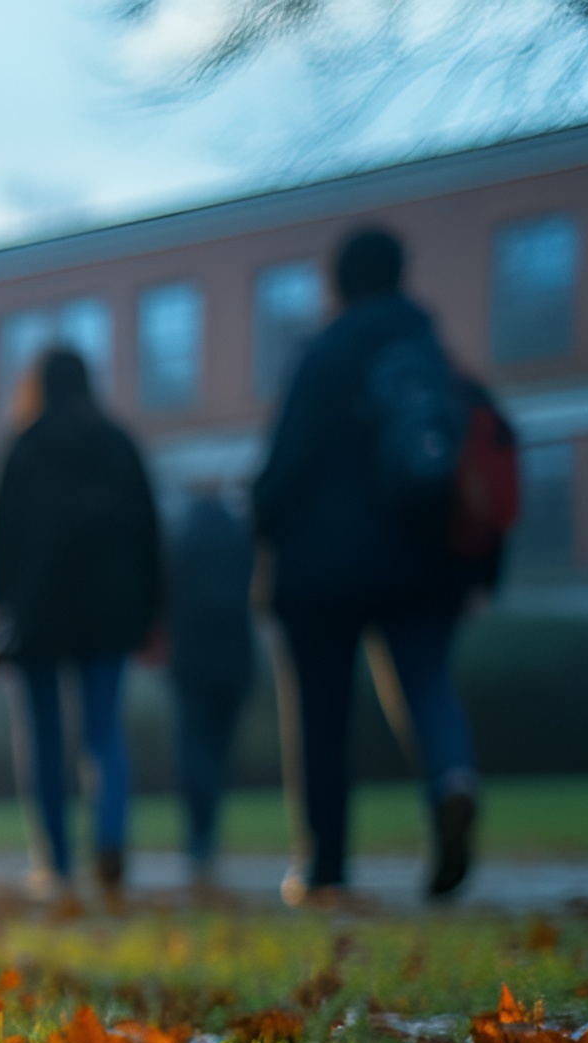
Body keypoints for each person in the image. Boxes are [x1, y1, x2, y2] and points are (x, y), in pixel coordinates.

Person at [253, 225, 493, 905]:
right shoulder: (429, 352)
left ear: (339, 283)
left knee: (322, 716)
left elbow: (285, 465)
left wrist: (260, 519)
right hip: (424, 561)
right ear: (400, 274)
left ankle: (325, 866)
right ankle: (452, 782)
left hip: (322, 572)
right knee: (425, 683)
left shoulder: (324, 354)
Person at [0, 346, 162, 900]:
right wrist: (153, 611)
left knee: (44, 740)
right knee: (104, 732)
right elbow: (149, 536)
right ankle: (109, 837)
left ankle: (54, 861)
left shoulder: (24, 448)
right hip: (109, 613)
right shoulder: (118, 444)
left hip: (37, 616)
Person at [164, 486, 257, 890]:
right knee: (218, 746)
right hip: (235, 656)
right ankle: (208, 827)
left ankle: (201, 833)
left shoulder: (182, 540)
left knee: (194, 744)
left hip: (191, 657)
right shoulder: (241, 537)